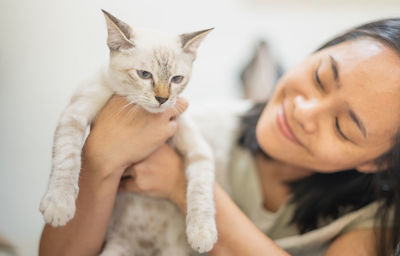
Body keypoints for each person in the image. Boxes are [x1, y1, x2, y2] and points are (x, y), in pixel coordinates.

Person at [39, 19, 400, 256]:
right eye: (320, 77)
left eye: (342, 127)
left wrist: (181, 183)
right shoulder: (195, 125)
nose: (303, 112)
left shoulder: (370, 218)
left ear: (378, 161)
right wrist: (99, 160)